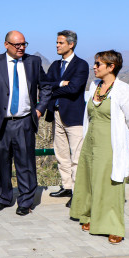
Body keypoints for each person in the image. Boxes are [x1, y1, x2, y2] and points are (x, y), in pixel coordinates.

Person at [0, 30, 51, 216]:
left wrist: (40, 109)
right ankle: (3, 197)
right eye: (17, 45)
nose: (21, 48)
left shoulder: (33, 62)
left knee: (25, 162)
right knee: (1, 162)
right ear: (6, 45)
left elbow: (46, 87)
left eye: (24, 44)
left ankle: (26, 201)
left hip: (25, 121)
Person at [70, 50, 129, 244]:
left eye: (98, 64)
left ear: (111, 67)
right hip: (90, 141)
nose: (94, 67)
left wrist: (121, 134)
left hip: (110, 143)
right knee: (90, 179)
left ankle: (113, 226)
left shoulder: (123, 89)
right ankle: (90, 216)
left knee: (109, 183)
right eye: (95, 63)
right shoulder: (94, 86)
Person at [45, 30, 89, 208]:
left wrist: (55, 88)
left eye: (60, 43)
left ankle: (78, 193)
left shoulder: (81, 65)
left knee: (77, 156)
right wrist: (61, 84)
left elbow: (74, 89)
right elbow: (44, 84)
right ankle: (67, 186)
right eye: (56, 42)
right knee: (61, 153)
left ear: (71, 44)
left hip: (74, 116)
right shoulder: (55, 65)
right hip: (56, 114)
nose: (56, 45)